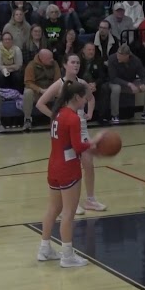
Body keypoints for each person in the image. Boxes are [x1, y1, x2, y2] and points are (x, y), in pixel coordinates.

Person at [36, 81, 106, 268]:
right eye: (85, 97)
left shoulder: (58, 113)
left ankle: (44, 249)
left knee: (53, 209)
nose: (86, 101)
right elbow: (78, 147)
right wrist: (94, 142)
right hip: (68, 168)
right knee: (68, 213)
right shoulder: (73, 118)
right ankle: (67, 255)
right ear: (76, 97)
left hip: (53, 166)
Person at [36, 53, 107, 214]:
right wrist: (55, 117)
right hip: (65, 128)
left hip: (80, 126)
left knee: (88, 164)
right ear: (65, 65)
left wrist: (89, 113)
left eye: (78, 63)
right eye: (73, 62)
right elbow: (40, 104)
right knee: (69, 165)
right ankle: (67, 202)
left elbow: (91, 99)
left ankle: (90, 200)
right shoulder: (58, 84)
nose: (76, 65)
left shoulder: (82, 84)